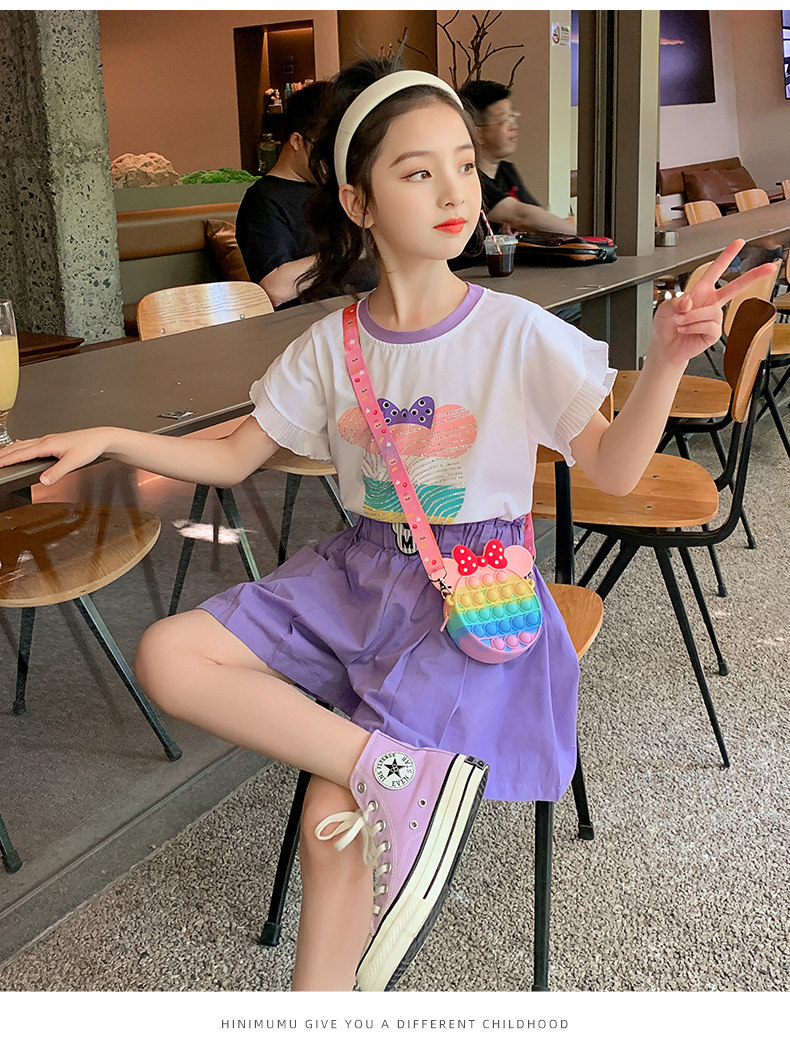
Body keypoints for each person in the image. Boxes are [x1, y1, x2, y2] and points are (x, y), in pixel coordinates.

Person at [0, 59, 774, 993]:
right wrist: (112, 437)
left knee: (332, 822)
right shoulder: (329, 344)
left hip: (471, 587)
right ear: (358, 201)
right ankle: (399, 774)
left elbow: (612, 469)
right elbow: (235, 456)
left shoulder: (515, 333)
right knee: (168, 653)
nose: (456, 191)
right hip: (355, 573)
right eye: (418, 171)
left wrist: (667, 359)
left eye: (463, 165)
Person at [237, 81, 375, 309]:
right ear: (296, 141)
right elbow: (274, 288)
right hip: (317, 323)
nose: (334, 160)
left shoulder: (337, 188)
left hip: (374, 311)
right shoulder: (263, 201)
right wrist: (346, 252)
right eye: (325, 150)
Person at [458, 79, 576, 235]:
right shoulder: (472, 180)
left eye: (513, 117)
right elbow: (522, 216)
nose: (514, 126)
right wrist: (581, 230)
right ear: (477, 133)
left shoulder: (506, 171)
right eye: (505, 120)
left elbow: (536, 218)